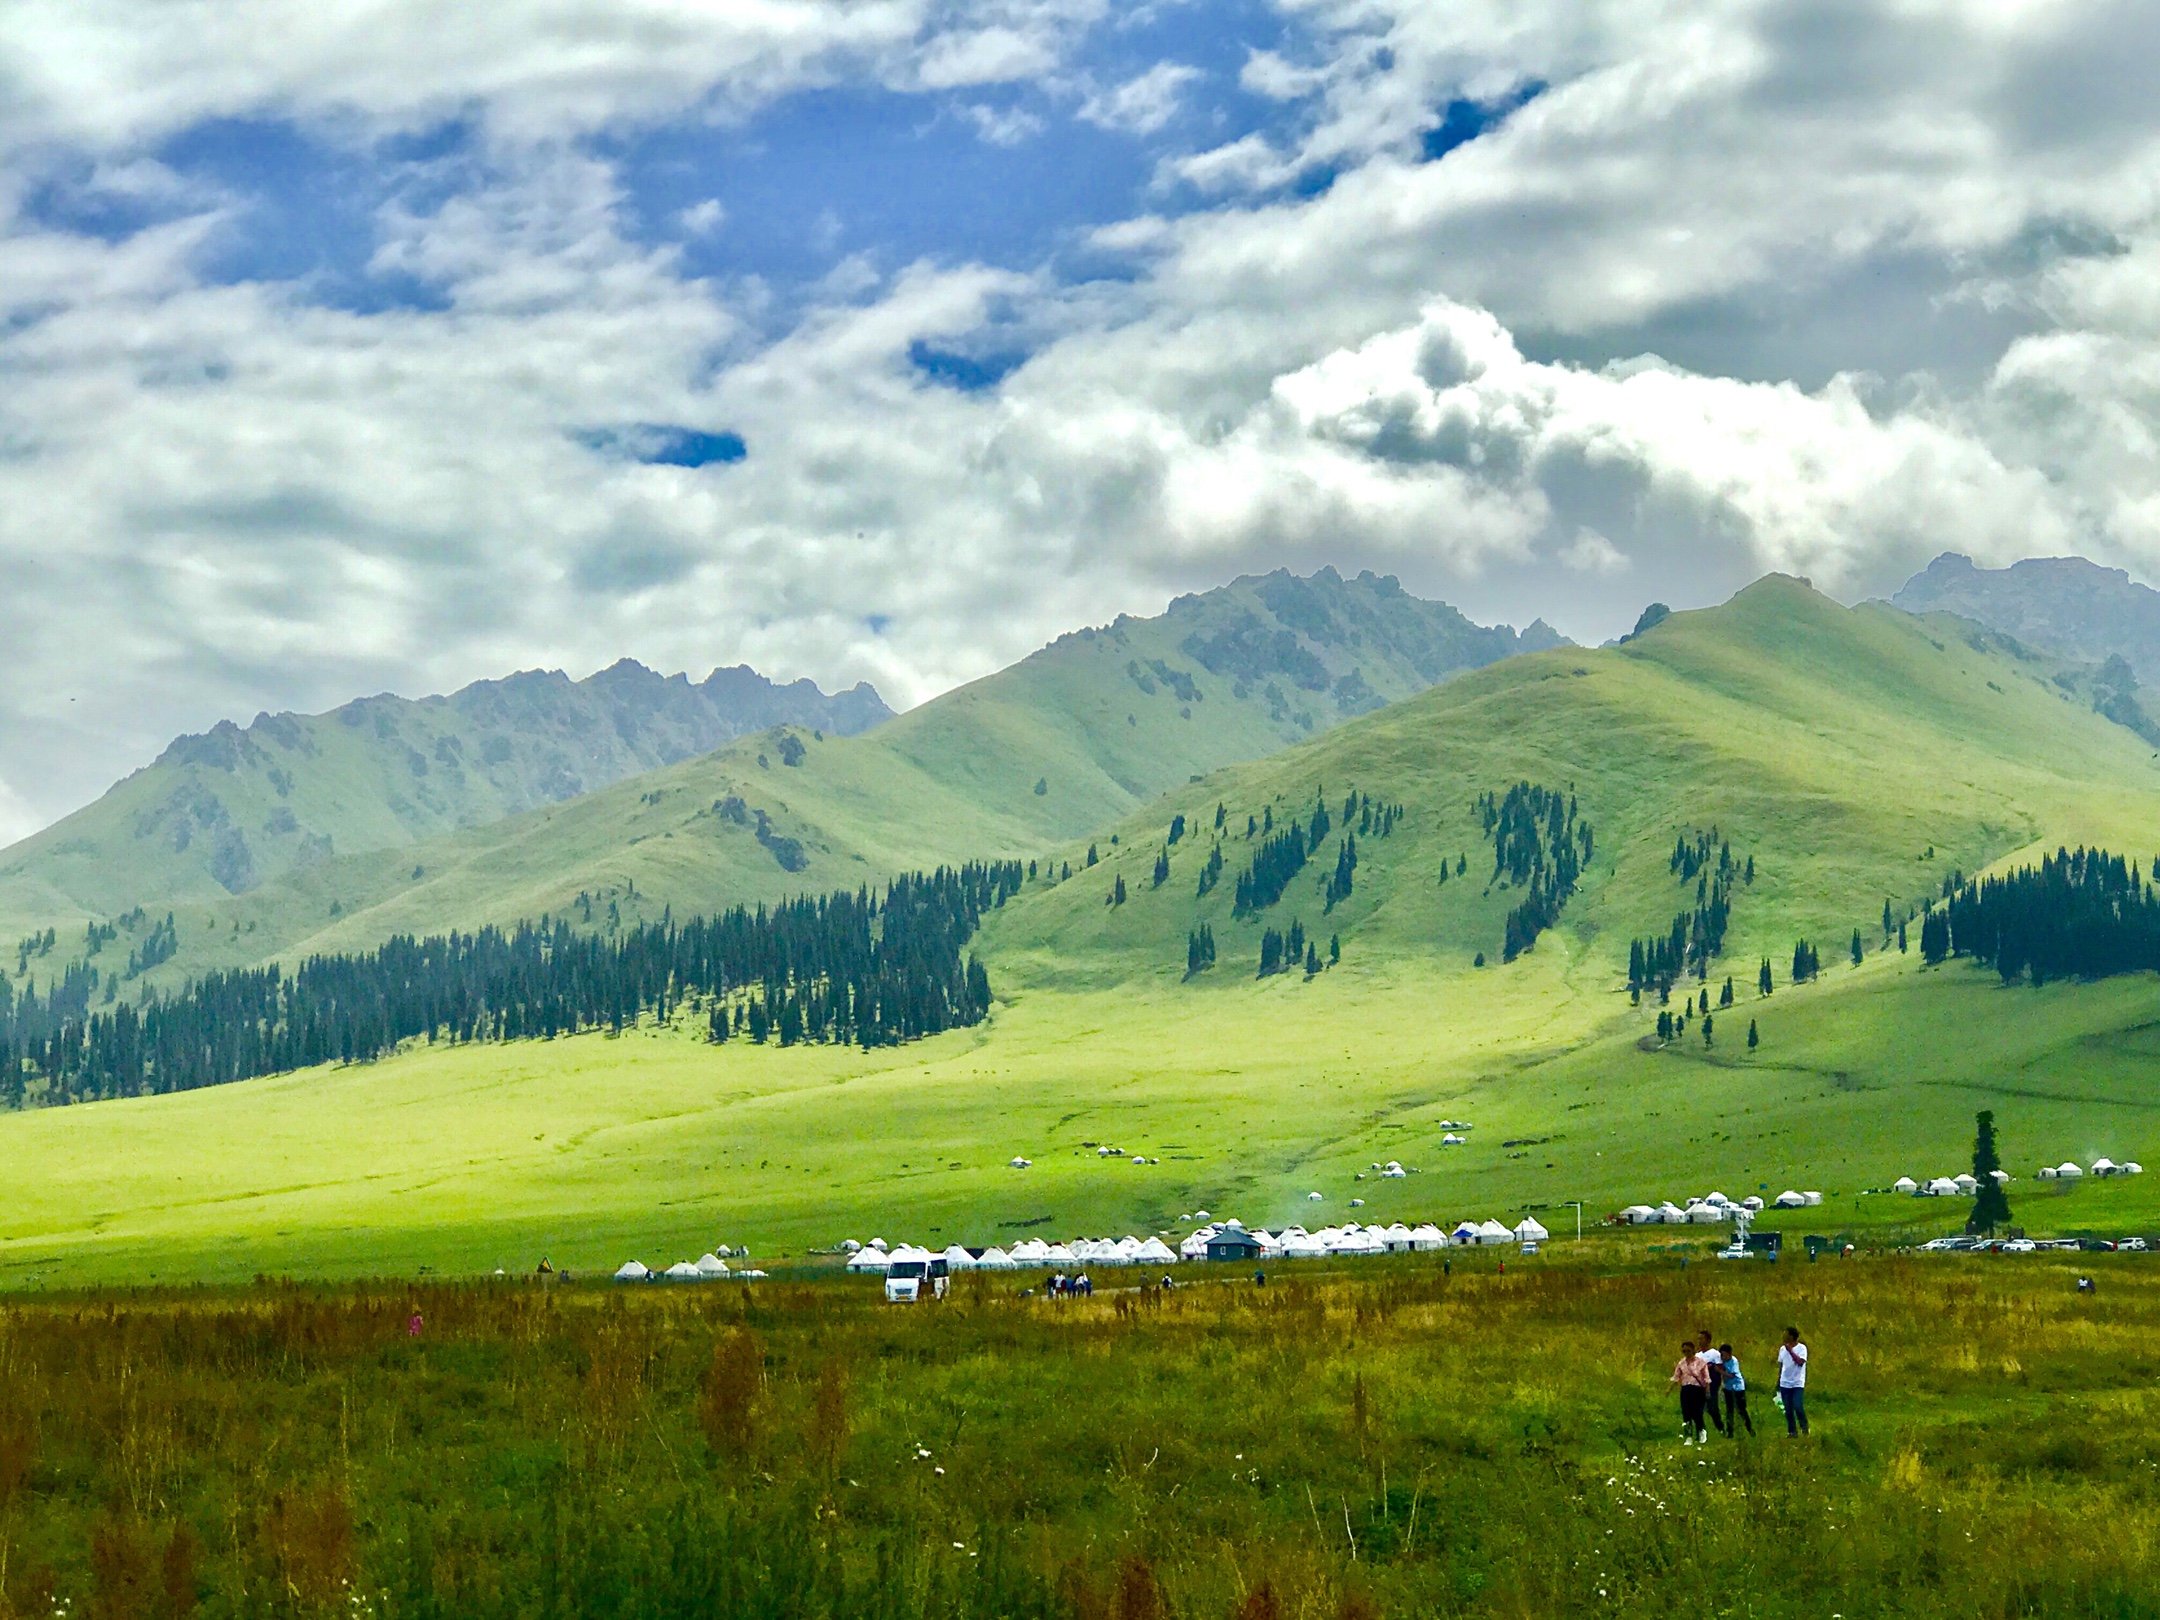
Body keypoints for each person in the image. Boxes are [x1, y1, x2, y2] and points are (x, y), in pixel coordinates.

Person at [1670, 1337, 1712, 1444]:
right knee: (1686, 1413)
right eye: (1684, 1351)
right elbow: (1676, 1377)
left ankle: (1701, 1431)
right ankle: (1688, 1436)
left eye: (1688, 1351)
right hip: (1686, 1389)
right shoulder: (1681, 1363)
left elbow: (1706, 1378)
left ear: (1693, 1350)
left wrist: (1707, 1391)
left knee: (1697, 1412)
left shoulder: (1701, 1362)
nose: (1686, 1353)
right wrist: (1669, 1389)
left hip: (1697, 1389)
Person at [1777, 1326, 1809, 1435]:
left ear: (1791, 1336)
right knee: (1788, 1409)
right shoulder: (1782, 1349)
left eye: (1786, 1334)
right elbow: (1781, 1365)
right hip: (1785, 1383)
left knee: (1797, 1405)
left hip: (1797, 1383)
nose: (1783, 1336)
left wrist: (1790, 1351)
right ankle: (1792, 1432)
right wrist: (1778, 1381)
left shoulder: (1802, 1348)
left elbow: (1800, 1362)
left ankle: (1804, 1427)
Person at [1718, 1342, 1753, 1435]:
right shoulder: (1721, 1362)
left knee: (1741, 1409)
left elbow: (1731, 1375)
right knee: (1729, 1410)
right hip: (1728, 1388)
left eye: (1724, 1355)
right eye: (1721, 1355)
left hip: (1738, 1388)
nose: (1723, 1357)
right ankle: (1730, 1431)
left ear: (1729, 1354)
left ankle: (1749, 1428)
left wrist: (1719, 1371)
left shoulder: (1734, 1361)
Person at [1697, 1328, 1727, 1434]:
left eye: (1702, 1339)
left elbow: (1720, 1368)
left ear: (1708, 1340)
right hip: (1700, 1385)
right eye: (1698, 1339)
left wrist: (1722, 1384)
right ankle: (1700, 1431)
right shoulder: (1697, 1356)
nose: (1699, 1341)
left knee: (1712, 1407)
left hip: (1713, 1384)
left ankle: (1720, 1427)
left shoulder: (1715, 1354)